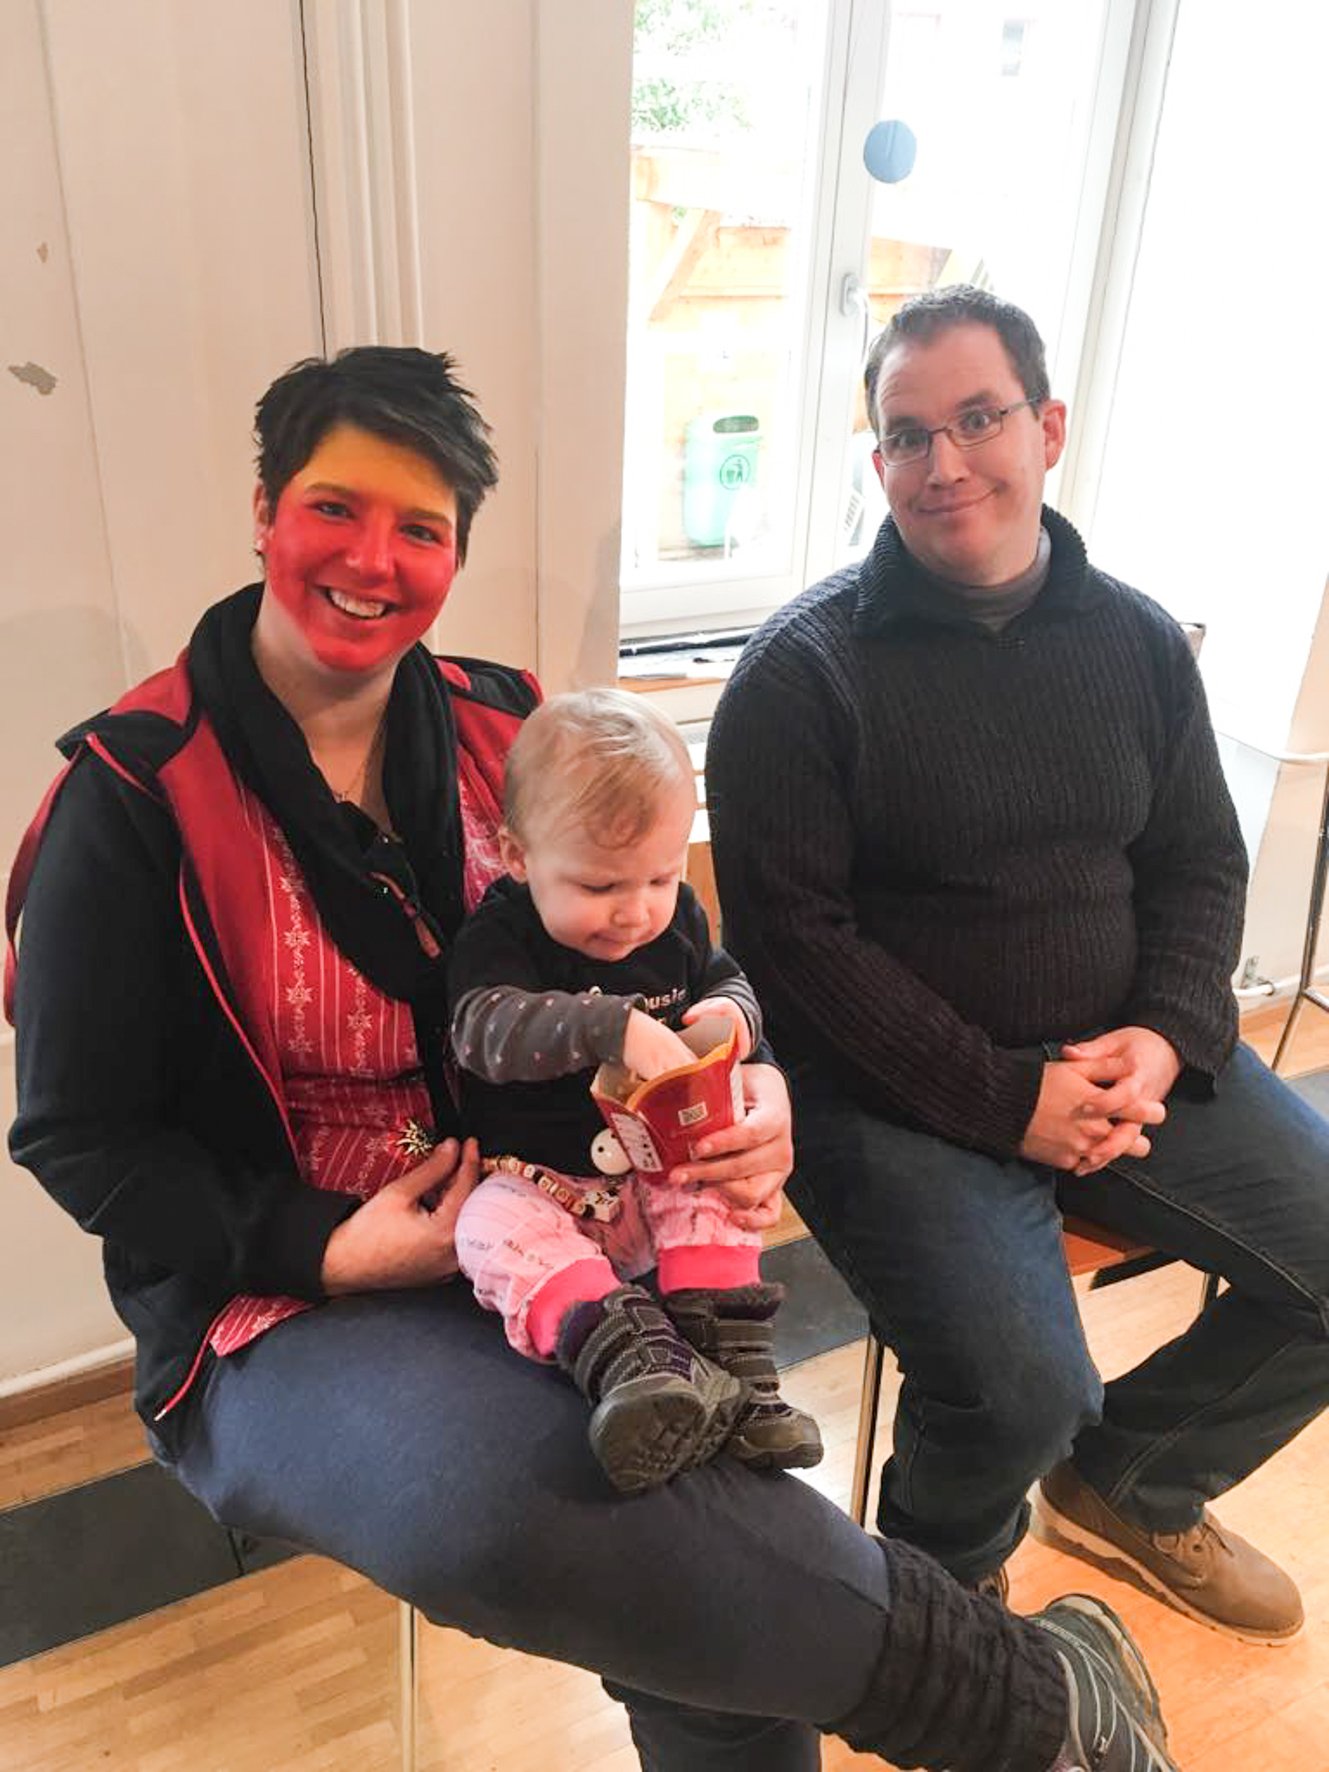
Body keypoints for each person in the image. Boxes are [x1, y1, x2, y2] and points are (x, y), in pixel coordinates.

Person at [8, 342, 1181, 1772]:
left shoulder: (516, 728)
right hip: (287, 1300)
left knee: (692, 1512)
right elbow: (77, 1136)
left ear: (455, 553)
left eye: (420, 527)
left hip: (580, 1211)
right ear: (265, 510)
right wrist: (327, 1245)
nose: (372, 558)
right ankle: (1034, 1708)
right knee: (508, 1511)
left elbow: (678, 952)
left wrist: (752, 1076)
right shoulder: (132, 794)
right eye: (334, 508)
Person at [707, 284, 1329, 1645]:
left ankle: (1138, 1479)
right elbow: (794, 953)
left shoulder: (1137, 640)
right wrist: (1007, 1099)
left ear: (1046, 429)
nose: (943, 463)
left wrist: (1165, 1031)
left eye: (978, 419)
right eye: (906, 434)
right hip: (896, 1097)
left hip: (1123, 1060)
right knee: (1022, 1387)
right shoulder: (798, 677)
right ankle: (938, 1620)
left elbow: (1198, 864)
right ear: (878, 461)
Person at [448, 686, 823, 1493]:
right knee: (483, 1229)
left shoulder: (674, 916)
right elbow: (481, 1031)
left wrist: (733, 1017)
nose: (635, 912)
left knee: (718, 1179)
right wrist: (607, 1028)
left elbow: (723, 978)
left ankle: (738, 1373)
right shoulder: (502, 933)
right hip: (542, 1190)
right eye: (599, 888)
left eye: (659, 875)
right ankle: (631, 1361)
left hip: (658, 1180)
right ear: (518, 856)